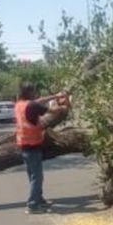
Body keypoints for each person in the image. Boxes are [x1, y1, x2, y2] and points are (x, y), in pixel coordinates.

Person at [14, 81, 68, 214]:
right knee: (37, 177)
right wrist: (64, 106)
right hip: (33, 145)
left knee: (33, 176)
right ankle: (32, 205)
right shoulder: (32, 105)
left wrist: (55, 96)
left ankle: (39, 199)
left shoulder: (19, 104)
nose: (35, 93)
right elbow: (52, 110)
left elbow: (40, 100)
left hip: (24, 145)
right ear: (30, 92)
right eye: (34, 91)